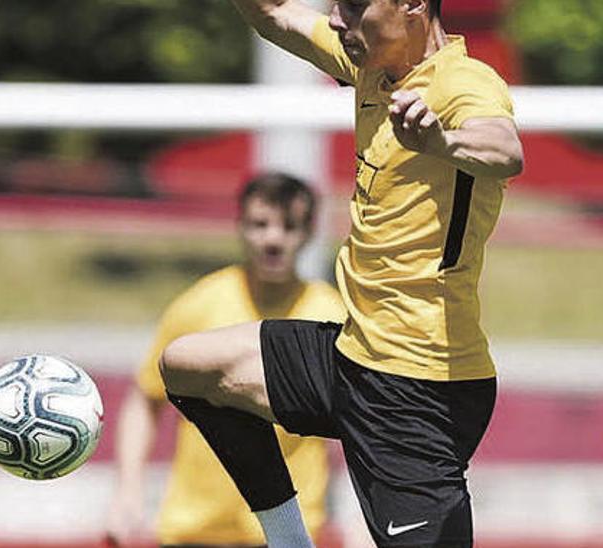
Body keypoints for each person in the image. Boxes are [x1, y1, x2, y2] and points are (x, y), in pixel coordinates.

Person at [157, 0, 524, 547]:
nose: (335, 18)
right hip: (351, 357)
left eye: (353, 6)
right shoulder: (371, 64)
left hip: (419, 387)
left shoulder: (464, 83)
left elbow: (505, 148)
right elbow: (276, 13)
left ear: (413, 7)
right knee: (190, 367)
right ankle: (289, 541)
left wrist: (441, 142)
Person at [104, 173, 345, 547]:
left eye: (289, 226)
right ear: (240, 226)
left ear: (310, 232)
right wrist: (127, 492)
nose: (273, 239)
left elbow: (360, 425)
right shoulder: (201, 302)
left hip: (287, 534)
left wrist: (361, 516)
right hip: (195, 530)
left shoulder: (331, 314)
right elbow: (145, 398)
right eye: (260, 225)